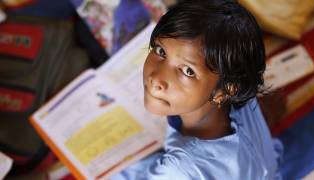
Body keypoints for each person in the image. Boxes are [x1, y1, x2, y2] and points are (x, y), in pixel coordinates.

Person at [111, 0, 283, 179]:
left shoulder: (177, 169)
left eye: (187, 71)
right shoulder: (237, 89)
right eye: (161, 51)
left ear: (223, 92)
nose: (155, 79)